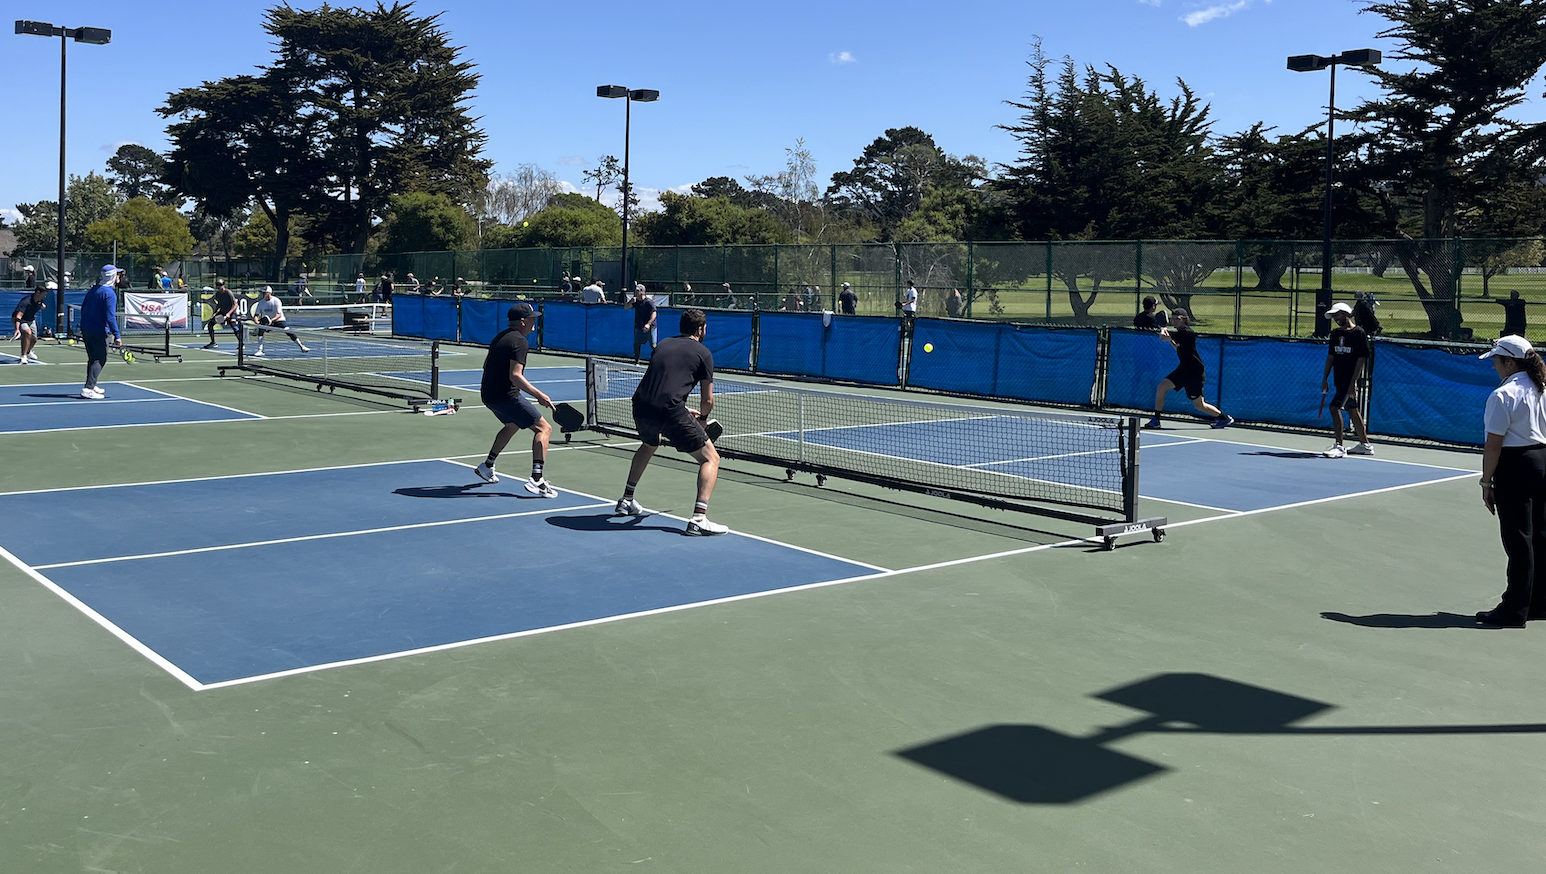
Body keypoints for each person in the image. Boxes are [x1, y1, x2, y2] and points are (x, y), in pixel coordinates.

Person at [614, 308, 728, 535]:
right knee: (711, 458)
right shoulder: (703, 353)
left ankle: (626, 500)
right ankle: (698, 519)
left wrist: (683, 409)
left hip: (641, 405)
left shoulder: (663, 345)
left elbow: (661, 383)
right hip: (669, 410)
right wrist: (703, 419)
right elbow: (708, 399)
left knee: (649, 444)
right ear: (700, 329)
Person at [1475, 335, 1546, 626]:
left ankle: (1514, 609)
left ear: (1510, 362)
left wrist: (1486, 482)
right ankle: (1539, 604)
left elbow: (1494, 445)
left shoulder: (1502, 395)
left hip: (1515, 465)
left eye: (1496, 360)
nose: (1493, 366)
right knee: (1540, 536)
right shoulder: (1541, 389)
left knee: (1518, 540)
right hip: (1542, 462)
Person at [473, 302, 558, 497]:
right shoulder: (520, 341)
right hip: (505, 396)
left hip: (488, 395)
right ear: (522, 321)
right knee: (543, 428)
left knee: (511, 424)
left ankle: (487, 466)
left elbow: (487, 365)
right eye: (531, 318)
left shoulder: (500, 337)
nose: (534, 321)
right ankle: (537, 479)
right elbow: (515, 376)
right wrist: (540, 395)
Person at [1145, 308, 1233, 430]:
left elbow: (1163, 338)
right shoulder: (1179, 333)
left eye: (1177, 319)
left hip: (1194, 372)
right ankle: (1156, 420)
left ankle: (1224, 418)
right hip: (1183, 370)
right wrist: (1170, 340)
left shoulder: (1186, 332)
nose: (1174, 321)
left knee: (1199, 405)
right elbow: (1178, 348)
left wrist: (1163, 328)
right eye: (1173, 319)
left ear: (1184, 320)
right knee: (1162, 387)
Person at [1320, 302, 1373, 457]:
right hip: (1339, 379)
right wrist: (1325, 379)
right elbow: (1331, 358)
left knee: (1334, 408)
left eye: (1338, 314)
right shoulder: (1335, 334)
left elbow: (1361, 359)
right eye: (1334, 316)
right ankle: (1365, 445)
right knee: (1352, 410)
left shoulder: (1359, 333)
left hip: (1349, 381)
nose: (1335, 318)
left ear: (1346, 313)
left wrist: (1353, 382)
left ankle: (1339, 446)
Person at [78, 265, 123, 399]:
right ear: (113, 276)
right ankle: (88, 388)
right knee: (100, 358)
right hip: (98, 331)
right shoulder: (109, 294)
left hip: (87, 328)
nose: (119, 277)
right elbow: (110, 317)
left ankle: (92, 383)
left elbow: (83, 308)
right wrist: (117, 335)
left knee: (93, 358)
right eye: (118, 274)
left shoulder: (94, 289)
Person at [249, 286, 311, 356]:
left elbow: (279, 314)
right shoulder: (261, 303)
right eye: (262, 293)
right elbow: (256, 315)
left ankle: (301, 346)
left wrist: (271, 320)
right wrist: (257, 322)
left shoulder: (276, 301)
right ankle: (260, 350)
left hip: (279, 320)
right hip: (268, 321)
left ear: (269, 293)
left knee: (289, 331)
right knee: (261, 331)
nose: (263, 294)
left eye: (264, 293)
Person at [10, 284, 49, 364]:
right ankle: (23, 356)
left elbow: (40, 304)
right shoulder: (26, 302)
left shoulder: (39, 300)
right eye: (44, 294)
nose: (45, 296)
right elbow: (18, 316)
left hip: (31, 320)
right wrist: (17, 329)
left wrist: (42, 305)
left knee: (34, 339)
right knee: (28, 333)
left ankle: (28, 352)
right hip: (20, 319)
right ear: (38, 292)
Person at [203, 279, 241, 349]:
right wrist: (215, 313)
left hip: (231, 312)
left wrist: (229, 314)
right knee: (210, 325)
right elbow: (219, 304)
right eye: (218, 285)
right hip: (222, 313)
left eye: (220, 285)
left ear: (224, 285)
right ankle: (213, 342)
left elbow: (235, 305)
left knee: (234, 327)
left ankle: (241, 343)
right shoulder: (218, 294)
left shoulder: (228, 293)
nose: (219, 287)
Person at [627, 283, 658, 361]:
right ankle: (636, 362)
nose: (636, 292)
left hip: (650, 327)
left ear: (642, 292)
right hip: (639, 327)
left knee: (653, 346)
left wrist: (648, 324)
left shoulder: (649, 302)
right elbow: (626, 307)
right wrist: (630, 302)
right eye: (636, 291)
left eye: (638, 291)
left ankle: (657, 361)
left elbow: (654, 313)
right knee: (636, 344)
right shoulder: (635, 301)